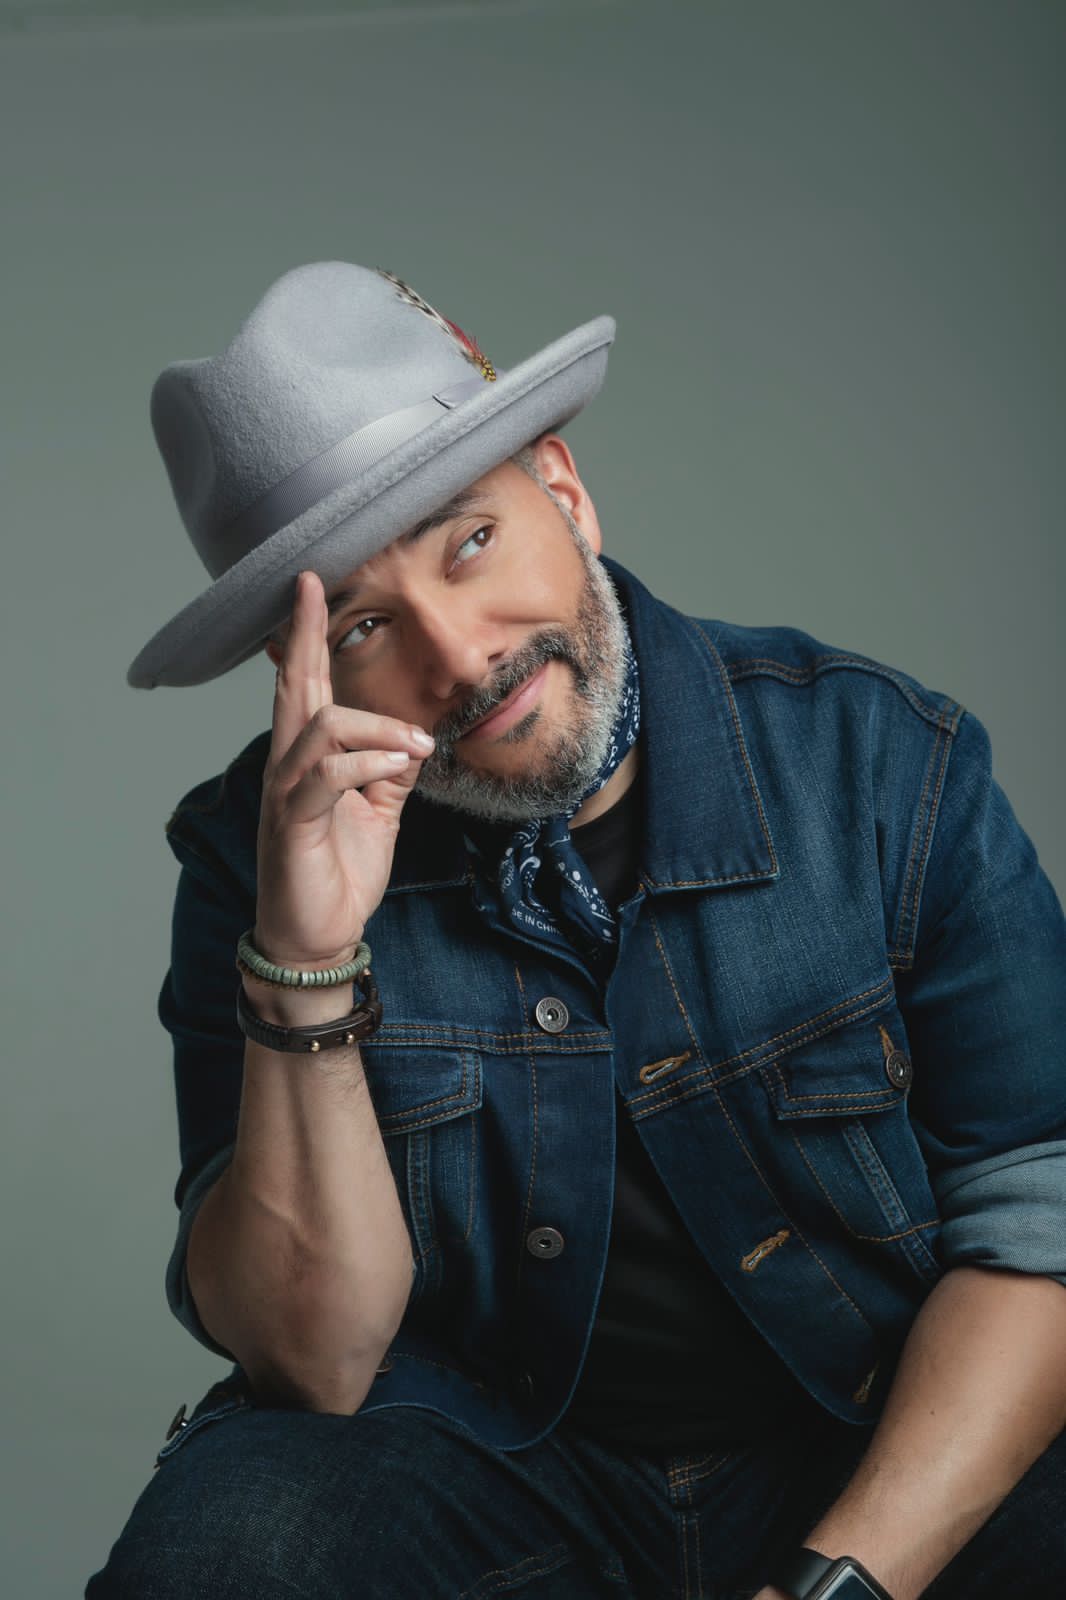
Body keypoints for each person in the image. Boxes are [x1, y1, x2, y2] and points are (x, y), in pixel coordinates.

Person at [87, 261, 1066, 1599]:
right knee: (224, 1556)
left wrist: (839, 1586)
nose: (456, 655)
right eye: (364, 624)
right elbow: (312, 1362)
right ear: (302, 672)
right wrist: (307, 958)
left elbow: (1039, 1224)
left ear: (562, 488)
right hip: (497, 1474)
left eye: (468, 543)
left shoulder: (881, 761)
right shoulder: (246, 862)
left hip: (873, 1436)